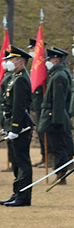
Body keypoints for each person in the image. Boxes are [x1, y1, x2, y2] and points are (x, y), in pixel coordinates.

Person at [1, 46, 34, 207]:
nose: (8, 62)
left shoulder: (21, 78)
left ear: (20, 61)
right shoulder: (15, 77)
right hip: (13, 126)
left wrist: (15, 128)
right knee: (15, 161)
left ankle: (24, 196)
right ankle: (17, 192)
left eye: (12, 59)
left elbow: (19, 106)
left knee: (22, 161)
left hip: (21, 127)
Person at [37, 47, 74, 183]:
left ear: (56, 60)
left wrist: (56, 119)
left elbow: (59, 100)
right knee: (56, 145)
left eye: (50, 59)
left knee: (58, 146)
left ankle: (61, 174)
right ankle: (59, 172)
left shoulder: (59, 76)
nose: (48, 61)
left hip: (55, 116)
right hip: (53, 115)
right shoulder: (56, 74)